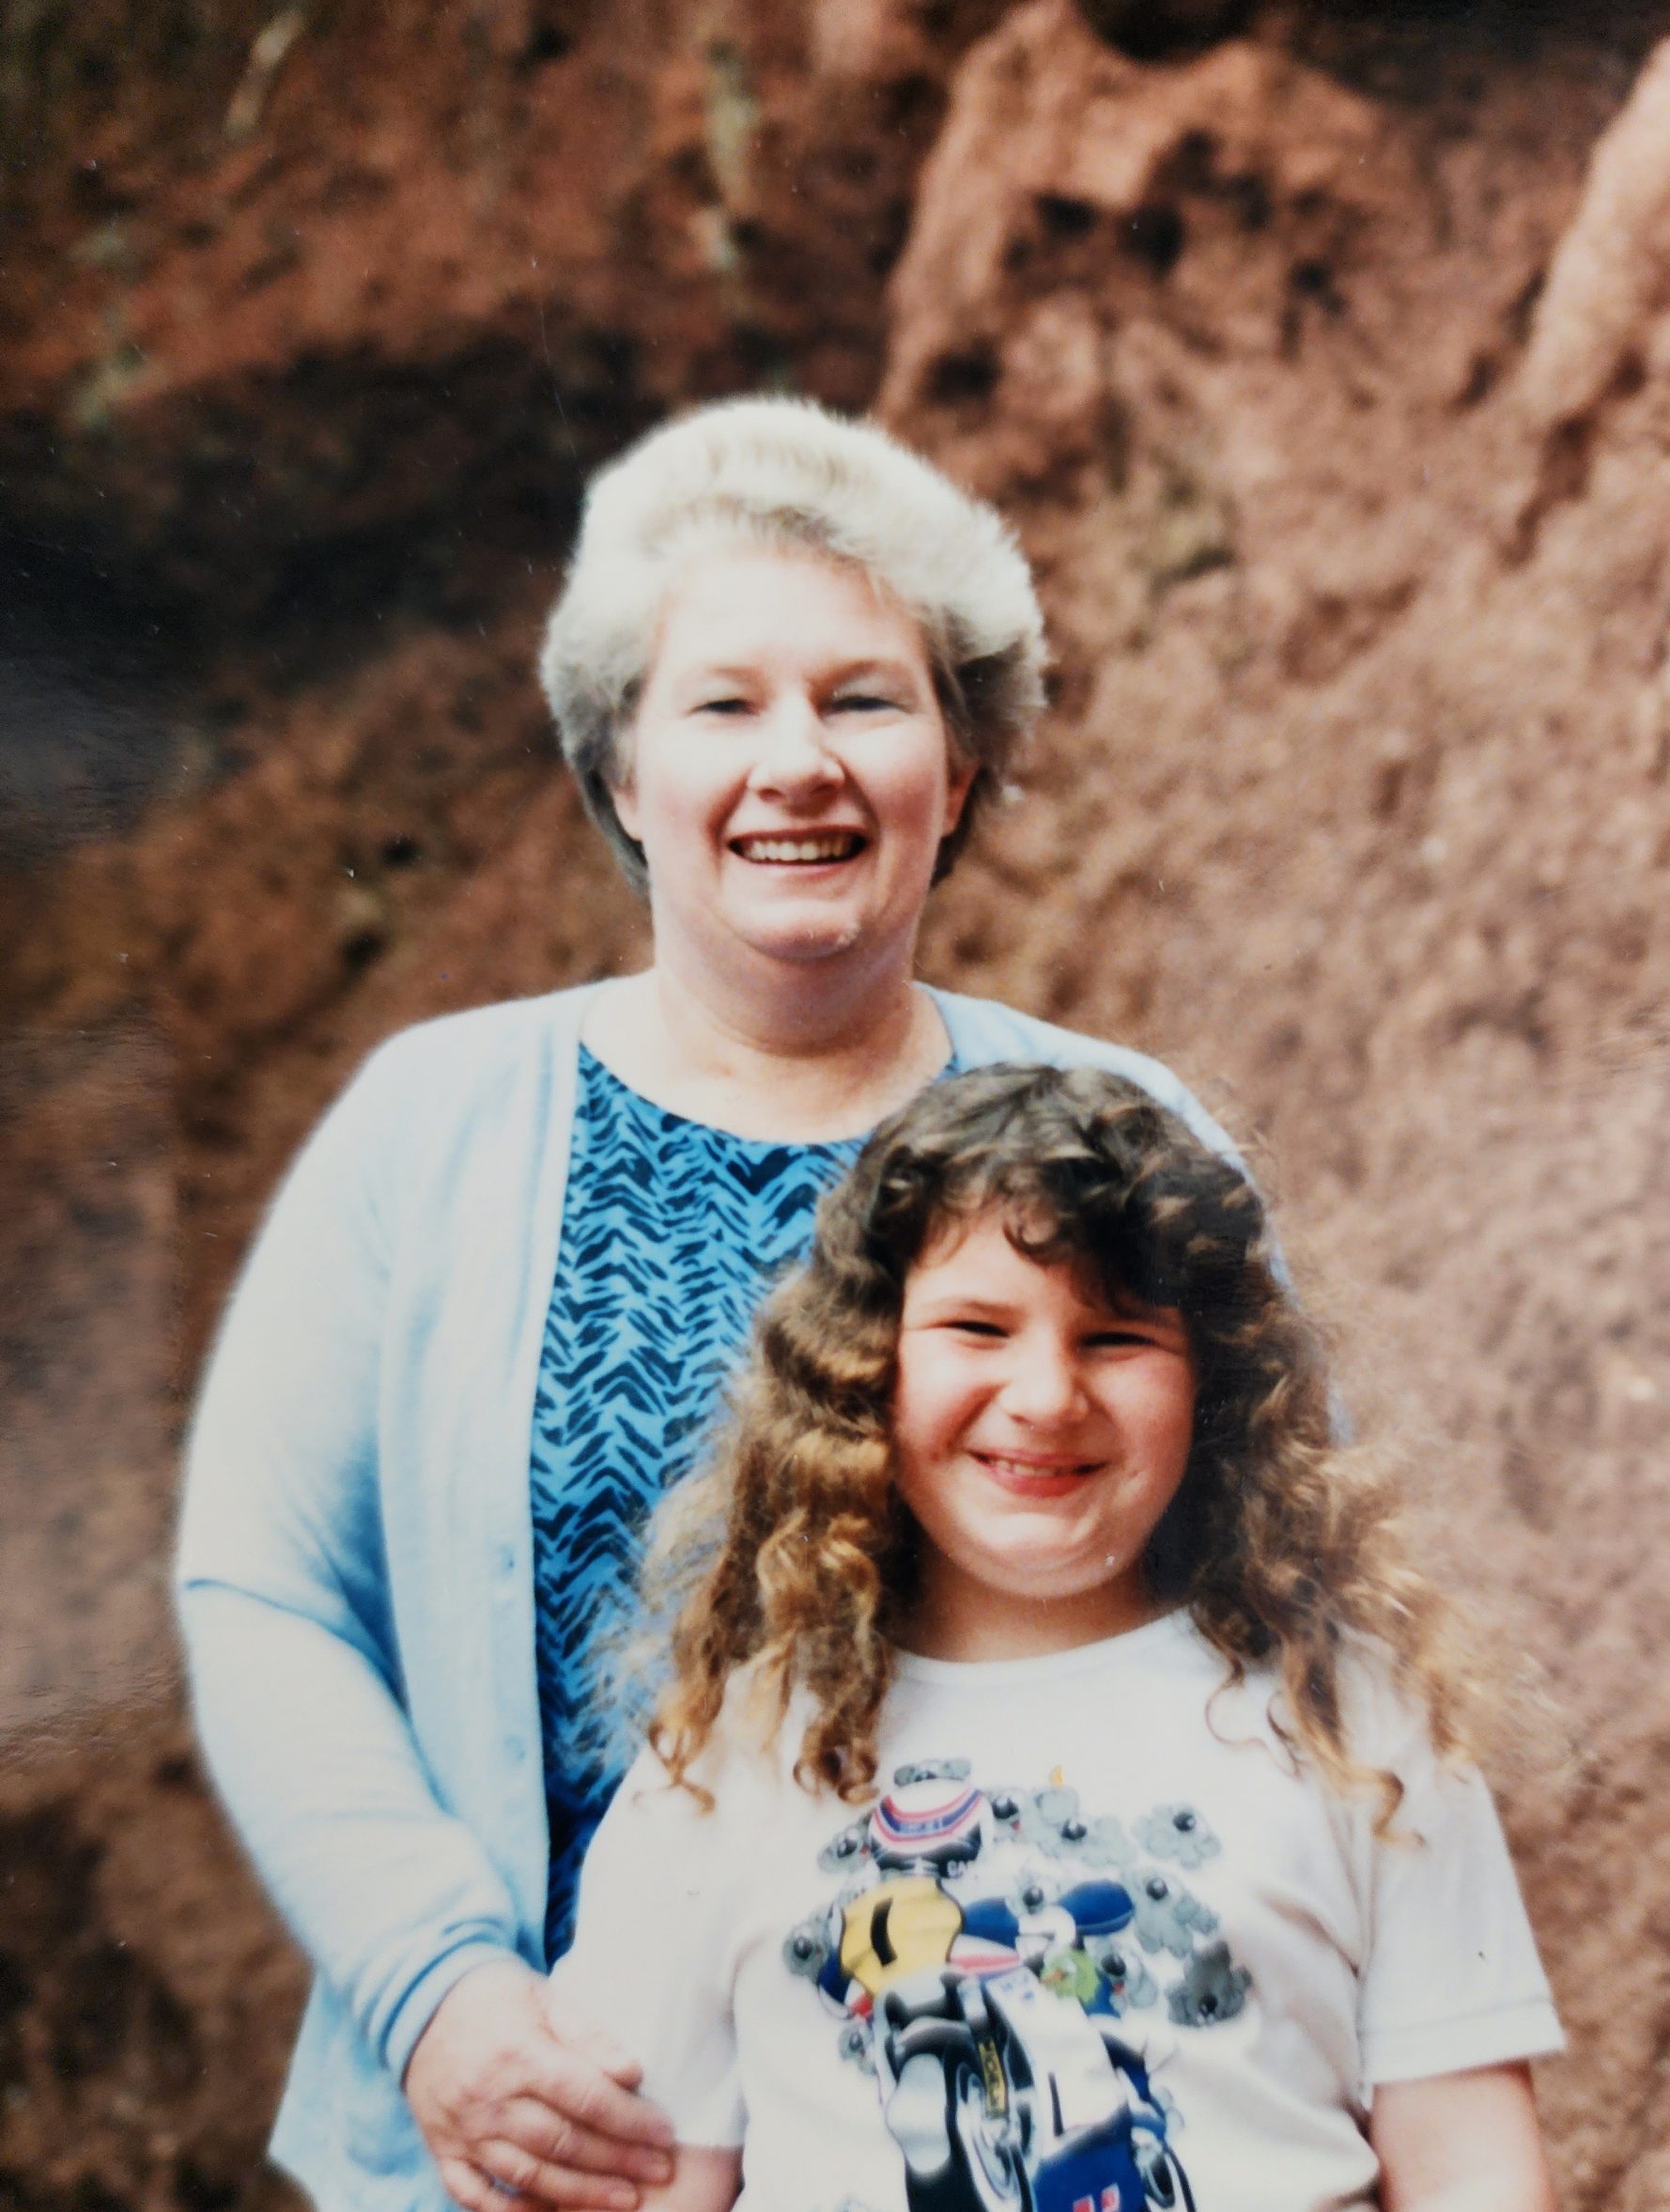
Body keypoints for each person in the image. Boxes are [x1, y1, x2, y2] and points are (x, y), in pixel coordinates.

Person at [176, 398, 1261, 2212]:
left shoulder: (1129, 1148)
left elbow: (1276, 1601)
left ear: (963, 769)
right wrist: (439, 1996)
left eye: (864, 698)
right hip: (551, 2141)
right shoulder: (437, 1128)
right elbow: (268, 1592)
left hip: (1007, 2133)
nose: (799, 764)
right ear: (620, 773)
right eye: (723, 704)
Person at [548, 1064, 1564, 2212]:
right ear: (865, 1368)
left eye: (1117, 1337)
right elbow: (643, 2183)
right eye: (976, 1327)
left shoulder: (1350, 1718)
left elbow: (1470, 2167)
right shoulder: (729, 1756)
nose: (1045, 1394)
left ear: (1213, 1380)